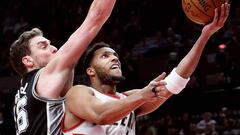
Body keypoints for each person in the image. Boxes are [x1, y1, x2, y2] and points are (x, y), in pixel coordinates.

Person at [61, 3, 230, 135]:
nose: (114, 58)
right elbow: (100, 116)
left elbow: (177, 80)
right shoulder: (78, 93)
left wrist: (205, 35)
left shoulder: (128, 98)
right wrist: (141, 95)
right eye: (105, 56)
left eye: (116, 56)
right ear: (90, 71)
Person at [10, 0, 117, 134]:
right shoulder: (45, 77)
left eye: (50, 44)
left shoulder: (22, 94)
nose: (54, 48)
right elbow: (96, 17)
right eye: (43, 46)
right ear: (28, 61)